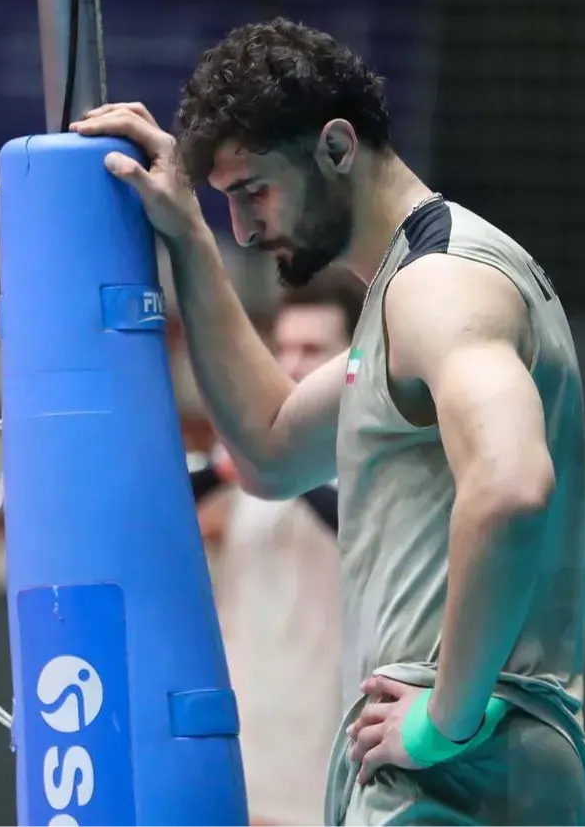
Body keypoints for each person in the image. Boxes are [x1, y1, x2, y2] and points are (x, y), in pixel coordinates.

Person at [72, 19, 585, 827]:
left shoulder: (441, 287)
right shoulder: (411, 295)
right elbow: (272, 447)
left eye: (253, 191)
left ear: (337, 146)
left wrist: (444, 719)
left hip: (459, 777)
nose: (244, 228)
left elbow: (512, 486)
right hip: (466, 775)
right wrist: (187, 235)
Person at [191, 268, 365, 827]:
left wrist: (276, 464)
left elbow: (354, 526)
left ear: (356, 358)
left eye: (312, 350)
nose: (290, 366)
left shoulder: (377, 459)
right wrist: (231, 466)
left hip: (325, 745)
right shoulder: (252, 452)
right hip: (240, 732)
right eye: (283, 349)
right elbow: (161, 502)